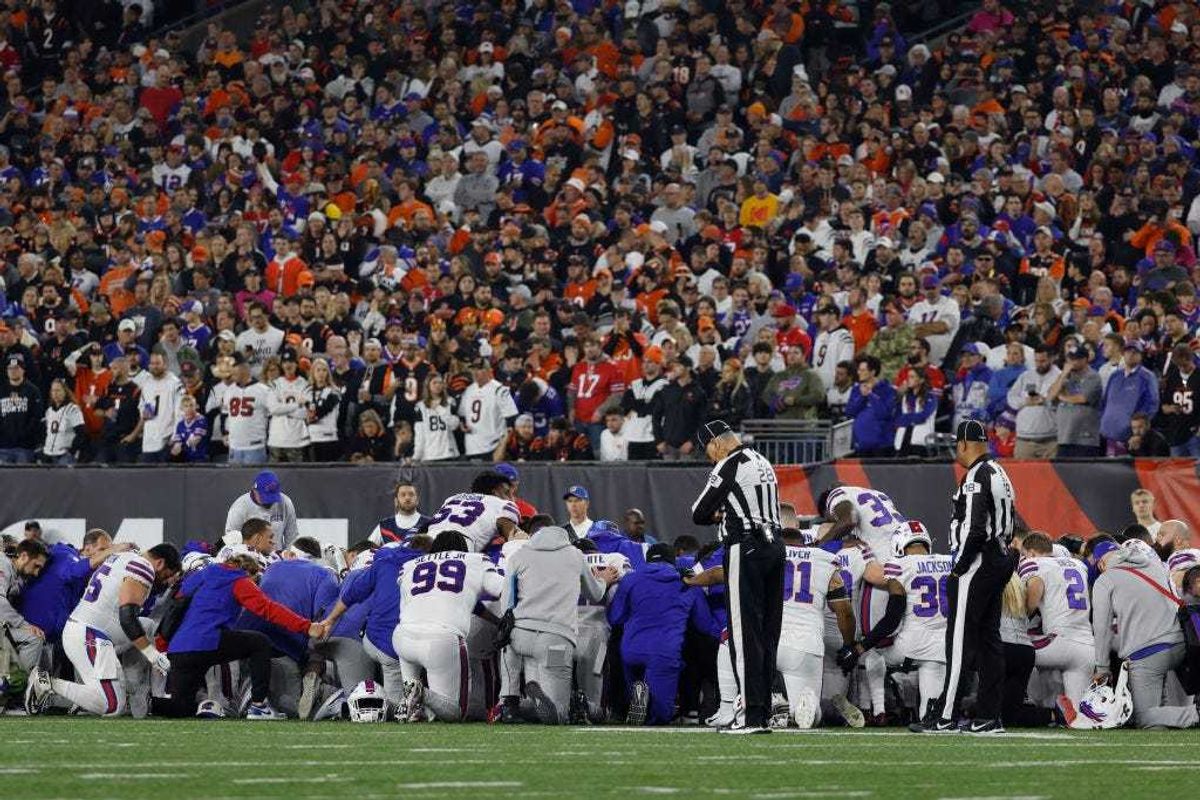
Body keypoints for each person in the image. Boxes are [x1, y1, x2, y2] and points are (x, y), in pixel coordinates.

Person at [911, 420, 1016, 734]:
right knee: (989, 641)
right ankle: (989, 715)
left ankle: (946, 715)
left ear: (963, 444)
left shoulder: (976, 476)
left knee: (958, 642)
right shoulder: (999, 472)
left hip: (978, 562)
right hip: (998, 556)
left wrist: (959, 566)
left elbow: (974, 528)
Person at [157, 549, 329, 719]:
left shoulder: (203, 574)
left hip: (179, 648)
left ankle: (147, 703)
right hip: (208, 641)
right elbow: (267, 609)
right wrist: (306, 626)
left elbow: (176, 604)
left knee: (181, 707)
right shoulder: (239, 579)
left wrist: (163, 643)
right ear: (250, 572)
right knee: (259, 642)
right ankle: (258, 706)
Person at [690, 420, 783, 733]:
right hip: (775, 546)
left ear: (716, 443)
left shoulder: (729, 464)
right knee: (768, 633)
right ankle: (763, 710)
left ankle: (750, 716)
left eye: (708, 451)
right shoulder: (762, 460)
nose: (709, 458)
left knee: (744, 635)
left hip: (746, 546)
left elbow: (699, 512)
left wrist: (721, 514)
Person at [25, 545, 181, 718]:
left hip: (89, 630)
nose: (164, 582)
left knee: (148, 625)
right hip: (90, 635)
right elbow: (127, 618)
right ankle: (48, 685)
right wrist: (152, 655)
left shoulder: (123, 556)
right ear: (159, 563)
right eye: (166, 576)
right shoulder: (144, 566)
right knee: (111, 706)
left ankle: (134, 689)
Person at [497, 525, 616, 724]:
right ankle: (580, 704)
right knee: (560, 714)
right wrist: (603, 580)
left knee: (507, 645)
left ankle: (509, 703)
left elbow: (506, 604)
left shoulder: (519, 555)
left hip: (521, 637)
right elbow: (595, 594)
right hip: (557, 639)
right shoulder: (575, 556)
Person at [838, 521, 951, 721]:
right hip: (943, 647)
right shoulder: (949, 562)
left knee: (874, 653)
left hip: (910, 647)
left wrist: (858, 649)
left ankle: (877, 708)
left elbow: (891, 619)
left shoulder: (899, 566)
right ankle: (922, 715)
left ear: (900, 545)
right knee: (931, 713)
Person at [392, 530, 505, 723]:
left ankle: (414, 702)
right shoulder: (475, 560)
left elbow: (423, 599)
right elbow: (500, 589)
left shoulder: (410, 566)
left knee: (419, 707)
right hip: (441, 639)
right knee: (455, 712)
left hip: (403, 636)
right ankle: (421, 693)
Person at [1087, 539, 1199, 729]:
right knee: (1157, 720)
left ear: (1101, 563)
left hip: (1147, 653)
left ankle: (1195, 714)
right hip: (1182, 643)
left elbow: (1102, 628)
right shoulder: (1157, 565)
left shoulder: (1106, 579)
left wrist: (1103, 667)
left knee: (1144, 717)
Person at [607, 542, 721, 725]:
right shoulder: (687, 581)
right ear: (673, 561)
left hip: (631, 650)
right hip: (664, 652)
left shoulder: (631, 579)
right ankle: (650, 703)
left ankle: (639, 695)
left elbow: (615, 617)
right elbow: (704, 624)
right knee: (661, 716)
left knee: (638, 693)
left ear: (647, 559)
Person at [775, 529, 855, 728]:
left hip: (769, 641)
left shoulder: (767, 555)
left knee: (753, 704)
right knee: (807, 717)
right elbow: (844, 611)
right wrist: (848, 645)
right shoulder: (823, 560)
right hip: (805, 643)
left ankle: (768, 706)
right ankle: (808, 708)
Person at [1017, 532, 1094, 709]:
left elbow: (1033, 594)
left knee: (1011, 649)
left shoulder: (1033, 563)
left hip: (1057, 643)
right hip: (1087, 646)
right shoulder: (1078, 564)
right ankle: (1053, 708)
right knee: (1076, 716)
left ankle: (1023, 702)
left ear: (1030, 552)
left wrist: (1026, 611)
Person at [426, 471, 522, 553]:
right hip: (459, 547)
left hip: (426, 543)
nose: (511, 498)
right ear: (495, 492)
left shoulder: (452, 498)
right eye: (507, 493)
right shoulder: (501, 504)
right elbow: (516, 538)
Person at [1099, 341, 1158, 456]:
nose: (1131, 354)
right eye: (1128, 351)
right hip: (1108, 434)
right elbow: (1105, 402)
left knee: (1126, 472)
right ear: (1123, 354)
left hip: (1129, 438)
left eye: (1135, 352)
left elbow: (1152, 406)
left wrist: (1139, 433)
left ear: (1141, 355)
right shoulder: (1115, 375)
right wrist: (1103, 422)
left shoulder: (1147, 377)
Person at [1, 539, 50, 674]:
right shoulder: (3, 563)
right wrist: (24, 624)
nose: (36, 573)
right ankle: (20, 689)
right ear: (23, 556)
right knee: (34, 638)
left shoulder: (15, 574)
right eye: (36, 566)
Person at [1006, 345, 1061, 459]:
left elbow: (1065, 402)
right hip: (1024, 439)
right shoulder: (1026, 376)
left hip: (1050, 440)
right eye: (1036, 361)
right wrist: (1025, 401)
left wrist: (1045, 401)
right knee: (1022, 475)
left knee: (1051, 476)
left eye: (1043, 361)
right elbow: (1011, 397)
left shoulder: (1059, 376)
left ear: (1051, 359)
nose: (1039, 364)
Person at [457, 358, 519, 460]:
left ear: (488, 371)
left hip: (493, 446)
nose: (475, 373)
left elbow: (511, 418)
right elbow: (462, 415)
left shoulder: (499, 390)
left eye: (479, 369)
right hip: (472, 446)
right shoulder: (468, 390)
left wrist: (503, 444)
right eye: (473, 369)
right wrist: (462, 424)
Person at [1048, 344, 1103, 458]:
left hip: (1084, 438)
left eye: (1076, 359)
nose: (1072, 362)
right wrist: (1063, 375)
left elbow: (1082, 398)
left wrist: (1062, 397)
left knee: (1083, 473)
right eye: (1070, 358)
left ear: (1085, 359)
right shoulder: (1065, 376)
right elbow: (1050, 396)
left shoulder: (1093, 376)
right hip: (1064, 436)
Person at [224, 470, 300, 552]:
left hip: (277, 556)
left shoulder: (285, 502)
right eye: (265, 496)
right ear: (254, 490)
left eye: (272, 496)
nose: (269, 501)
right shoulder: (239, 508)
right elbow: (231, 540)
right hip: (249, 558)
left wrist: (290, 559)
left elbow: (292, 537)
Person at [131, 350, 184, 463]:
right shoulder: (146, 383)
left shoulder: (175, 384)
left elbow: (180, 414)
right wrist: (143, 412)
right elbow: (142, 405)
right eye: (152, 363)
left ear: (165, 364)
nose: (154, 366)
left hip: (167, 439)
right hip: (149, 439)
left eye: (157, 363)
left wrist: (176, 438)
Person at [846, 354, 896, 457]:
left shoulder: (888, 389)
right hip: (861, 444)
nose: (859, 372)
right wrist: (862, 397)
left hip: (882, 445)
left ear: (872, 372)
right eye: (859, 369)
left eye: (863, 370)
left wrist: (870, 395)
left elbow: (884, 413)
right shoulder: (856, 389)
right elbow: (850, 412)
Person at [0, 353, 45, 463]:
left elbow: (36, 418)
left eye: (16, 368)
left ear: (23, 370)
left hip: (25, 448)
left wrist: (25, 435)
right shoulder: (1, 390)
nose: (12, 371)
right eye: (10, 368)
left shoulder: (33, 391)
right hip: (3, 447)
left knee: (23, 479)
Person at [1158, 344, 1200, 457]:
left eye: (1185, 365)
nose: (1182, 369)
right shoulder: (1172, 377)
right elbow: (1163, 406)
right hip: (1176, 433)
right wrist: (1171, 408)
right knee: (1177, 471)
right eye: (1179, 366)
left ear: (1191, 359)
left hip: (1195, 434)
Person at [368, 481, 431, 545]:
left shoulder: (429, 524)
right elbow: (367, 550)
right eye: (403, 495)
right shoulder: (384, 526)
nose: (407, 498)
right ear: (396, 501)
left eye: (411, 494)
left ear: (417, 500)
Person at [41, 379, 85, 464]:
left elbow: (81, 433)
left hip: (64, 455)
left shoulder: (72, 409)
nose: (55, 393)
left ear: (65, 391)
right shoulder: (49, 411)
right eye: (53, 390)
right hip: (48, 454)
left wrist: (72, 451)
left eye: (58, 390)